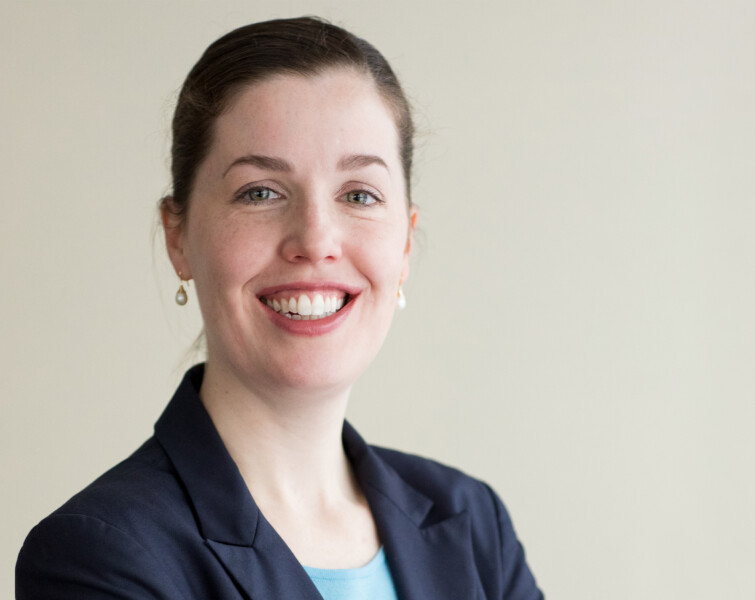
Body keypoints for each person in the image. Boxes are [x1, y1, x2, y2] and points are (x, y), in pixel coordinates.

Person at [16, 17, 544, 600]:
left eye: (359, 195)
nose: (315, 240)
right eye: (260, 192)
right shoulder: (97, 555)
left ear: (405, 243)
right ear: (178, 236)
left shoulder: (474, 526)